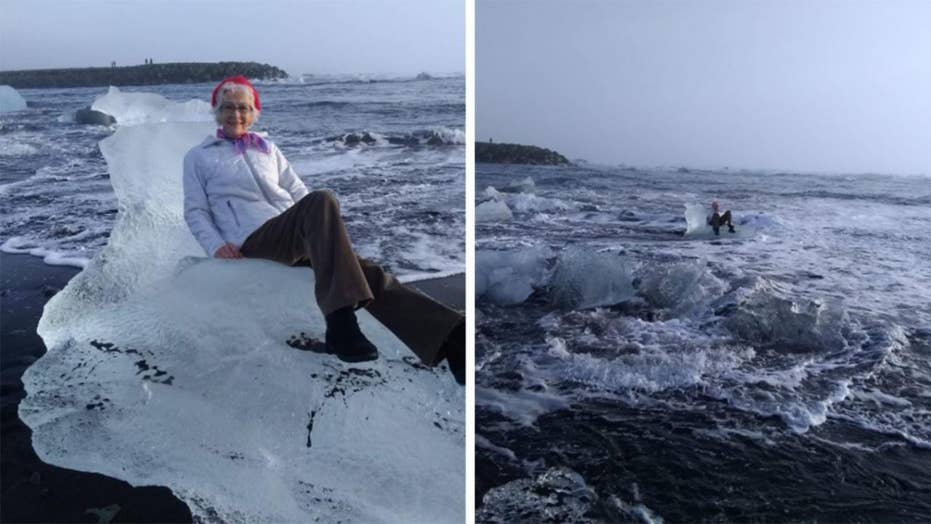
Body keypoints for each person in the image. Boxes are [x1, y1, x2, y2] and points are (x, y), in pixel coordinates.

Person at [182, 76, 465, 384]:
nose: (235, 115)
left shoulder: (267, 149)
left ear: (254, 113)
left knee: (364, 273)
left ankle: (451, 337)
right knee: (324, 199)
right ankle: (339, 321)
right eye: (228, 107)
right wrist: (216, 246)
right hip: (250, 240)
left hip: (289, 233)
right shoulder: (199, 157)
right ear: (216, 111)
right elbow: (195, 210)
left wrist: (324, 233)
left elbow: (296, 189)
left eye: (243, 108)